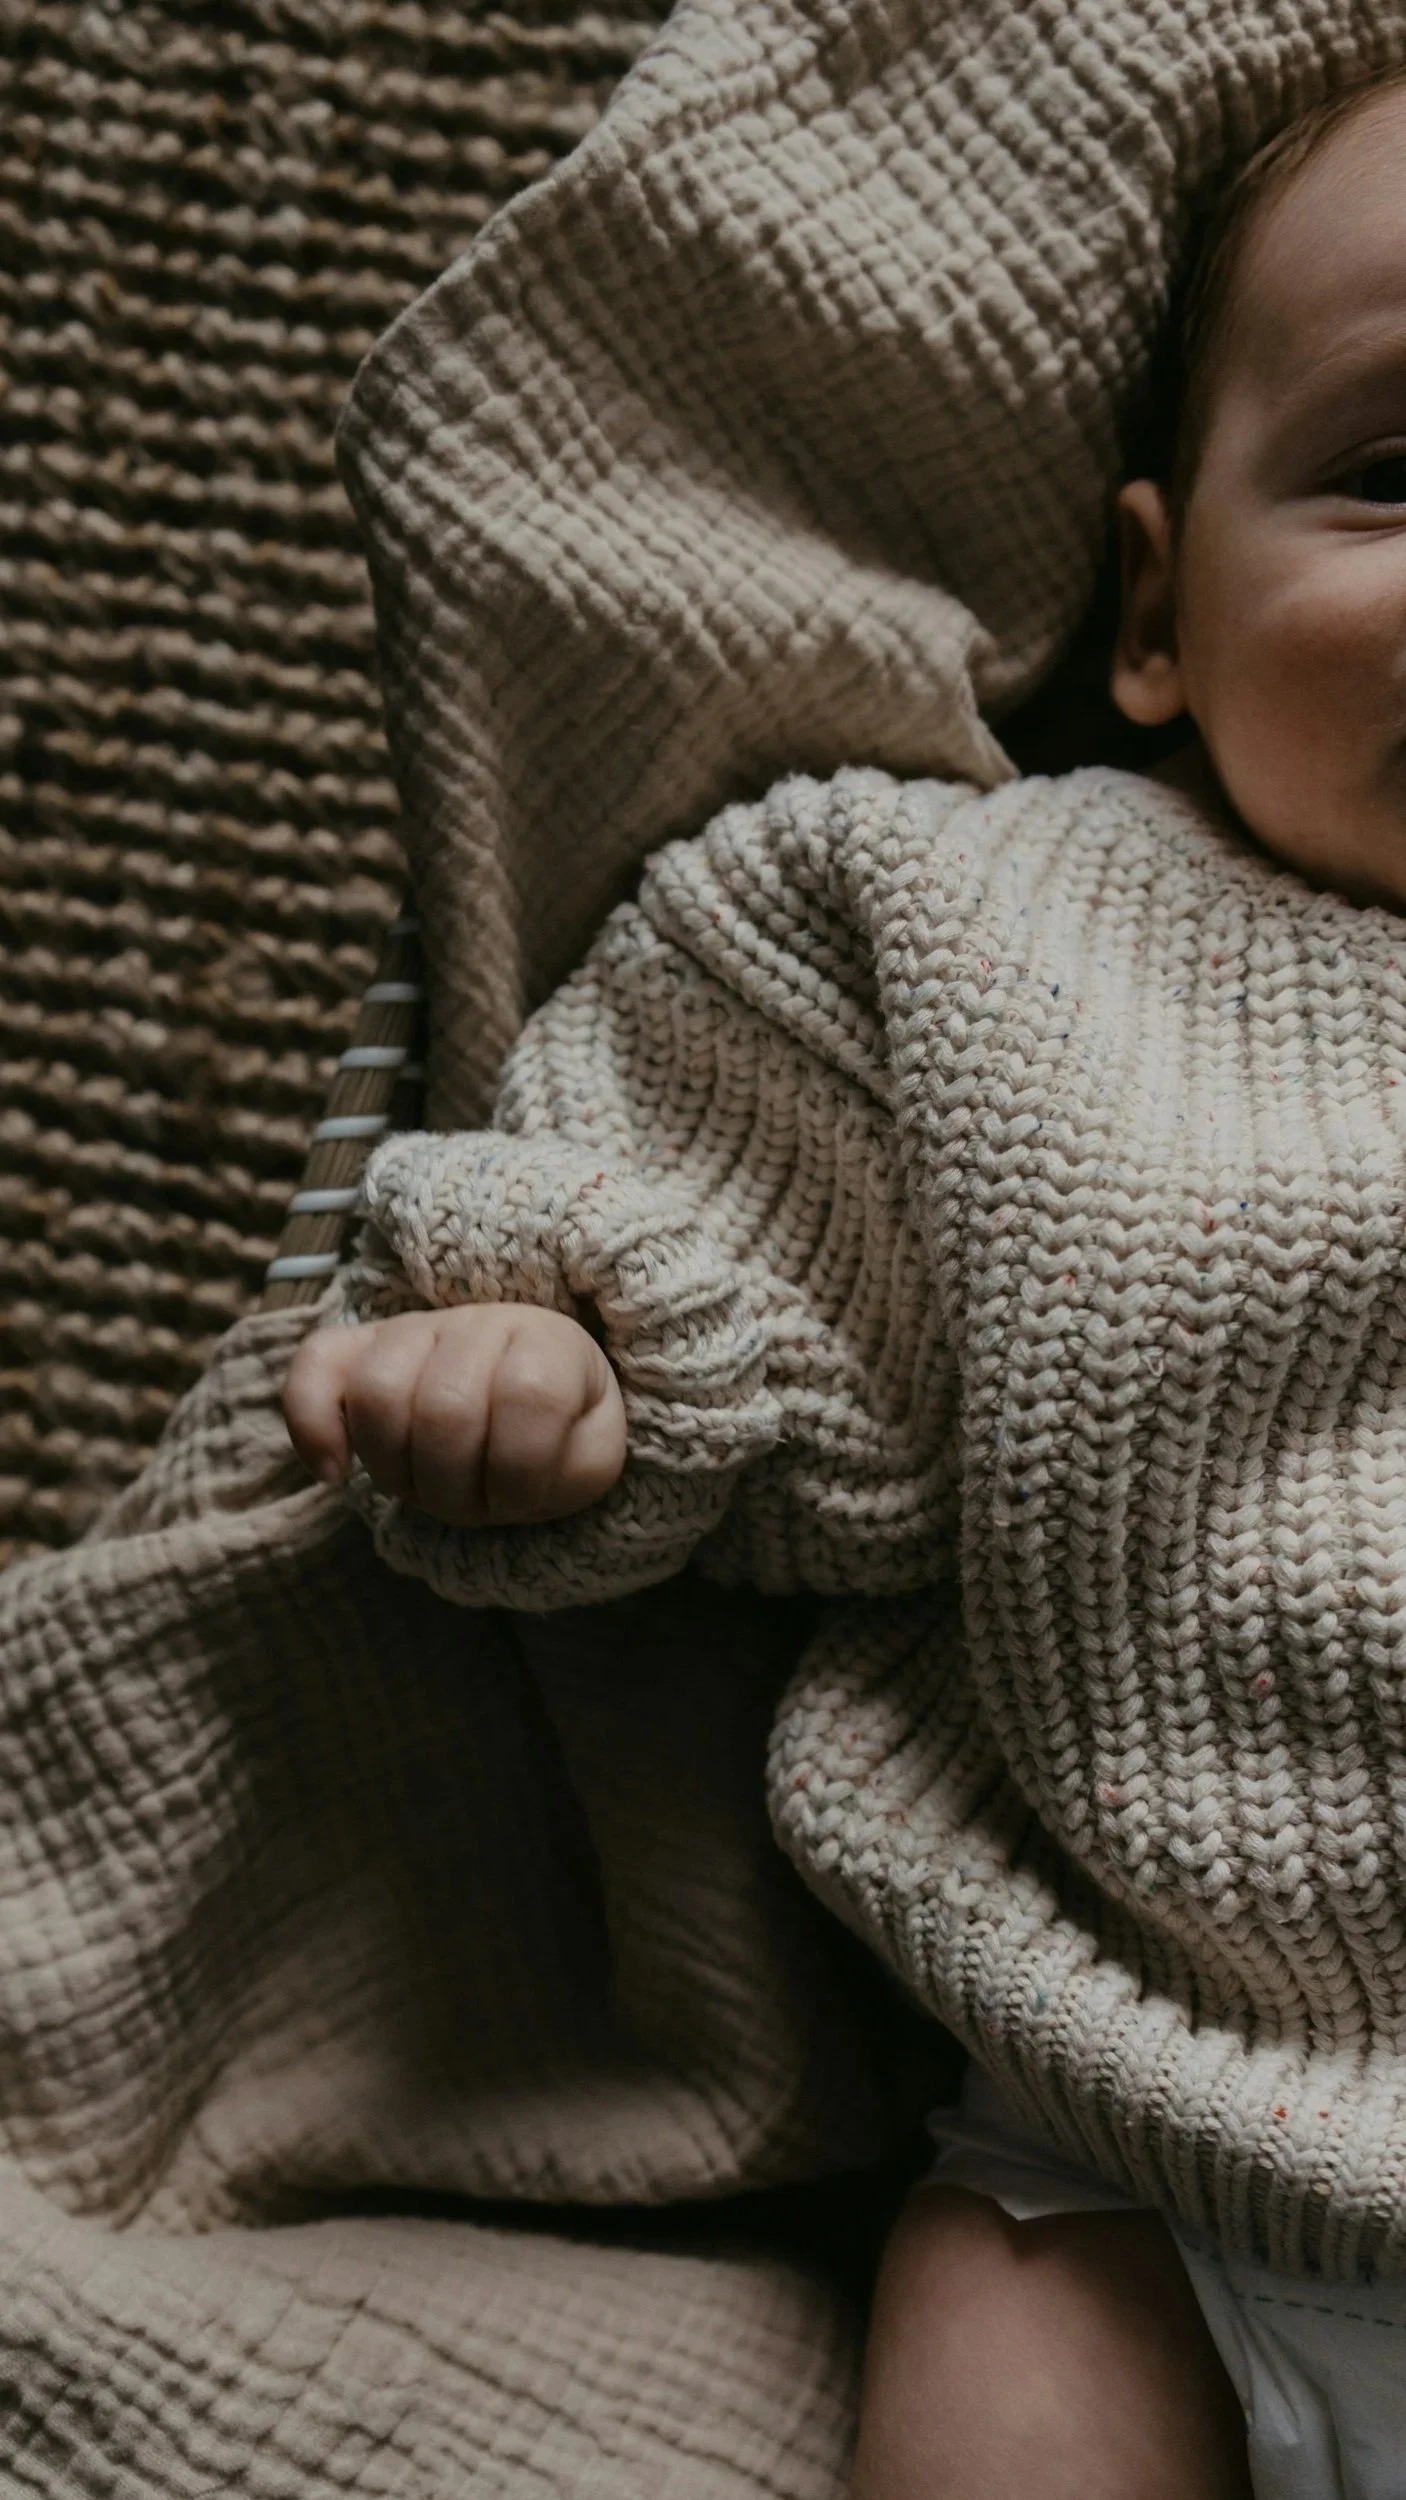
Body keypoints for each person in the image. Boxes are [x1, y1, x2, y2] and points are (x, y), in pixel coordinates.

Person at [282, 68, 1406, 2500]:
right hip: (1120, 2164)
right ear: (1150, 605)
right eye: (1396, 478)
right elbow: (718, 1213)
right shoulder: (1009, 943)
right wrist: (560, 1354)